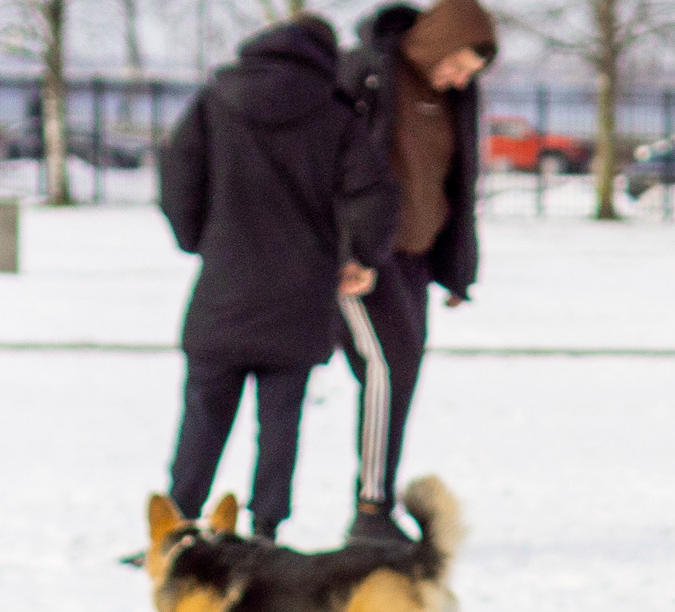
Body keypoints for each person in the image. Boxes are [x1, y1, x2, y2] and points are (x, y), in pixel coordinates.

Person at [158, 13, 391, 542]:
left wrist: (197, 237)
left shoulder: (215, 101)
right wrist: (360, 256)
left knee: (202, 413)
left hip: (225, 283)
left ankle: (178, 523)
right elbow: (372, 191)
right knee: (281, 422)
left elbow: (178, 174)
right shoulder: (336, 115)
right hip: (301, 290)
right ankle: (265, 528)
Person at [338, 0, 497, 544]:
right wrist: (347, 249)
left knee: (400, 375)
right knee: (386, 368)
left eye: (470, 73)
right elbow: (333, 164)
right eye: (458, 65)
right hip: (363, 258)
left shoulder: (453, 97)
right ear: (435, 43)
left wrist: (456, 269)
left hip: (415, 258)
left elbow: (458, 182)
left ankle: (375, 504)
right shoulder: (369, 73)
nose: (460, 80)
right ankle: (371, 510)